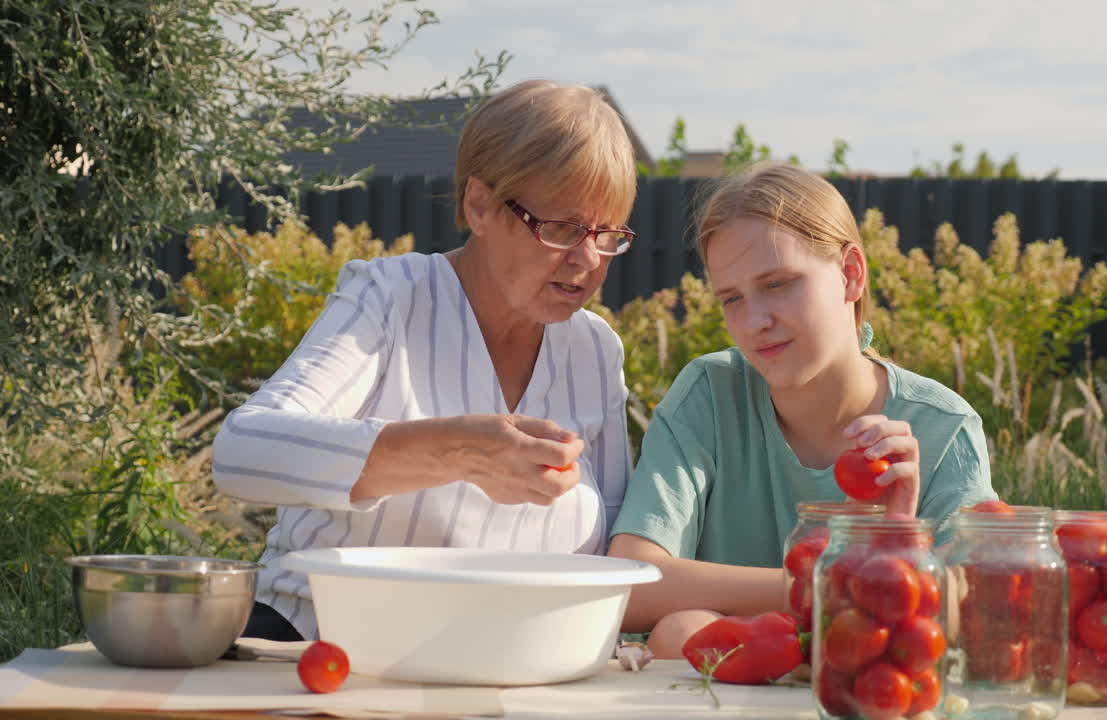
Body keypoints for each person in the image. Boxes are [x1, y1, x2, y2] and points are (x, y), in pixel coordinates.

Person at [212, 79, 638, 642]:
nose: (587, 259)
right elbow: (243, 452)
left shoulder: (595, 350)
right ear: (479, 205)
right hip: (310, 655)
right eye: (561, 228)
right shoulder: (390, 299)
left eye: (606, 234)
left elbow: (613, 552)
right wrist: (458, 451)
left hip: (502, 671)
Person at [606, 163, 996, 658]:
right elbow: (632, 583)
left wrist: (898, 544)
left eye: (778, 284)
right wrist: (837, 582)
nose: (755, 322)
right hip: (725, 696)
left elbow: (974, 618)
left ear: (850, 274)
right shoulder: (708, 394)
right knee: (682, 630)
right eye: (732, 298)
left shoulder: (942, 427)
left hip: (871, 688)